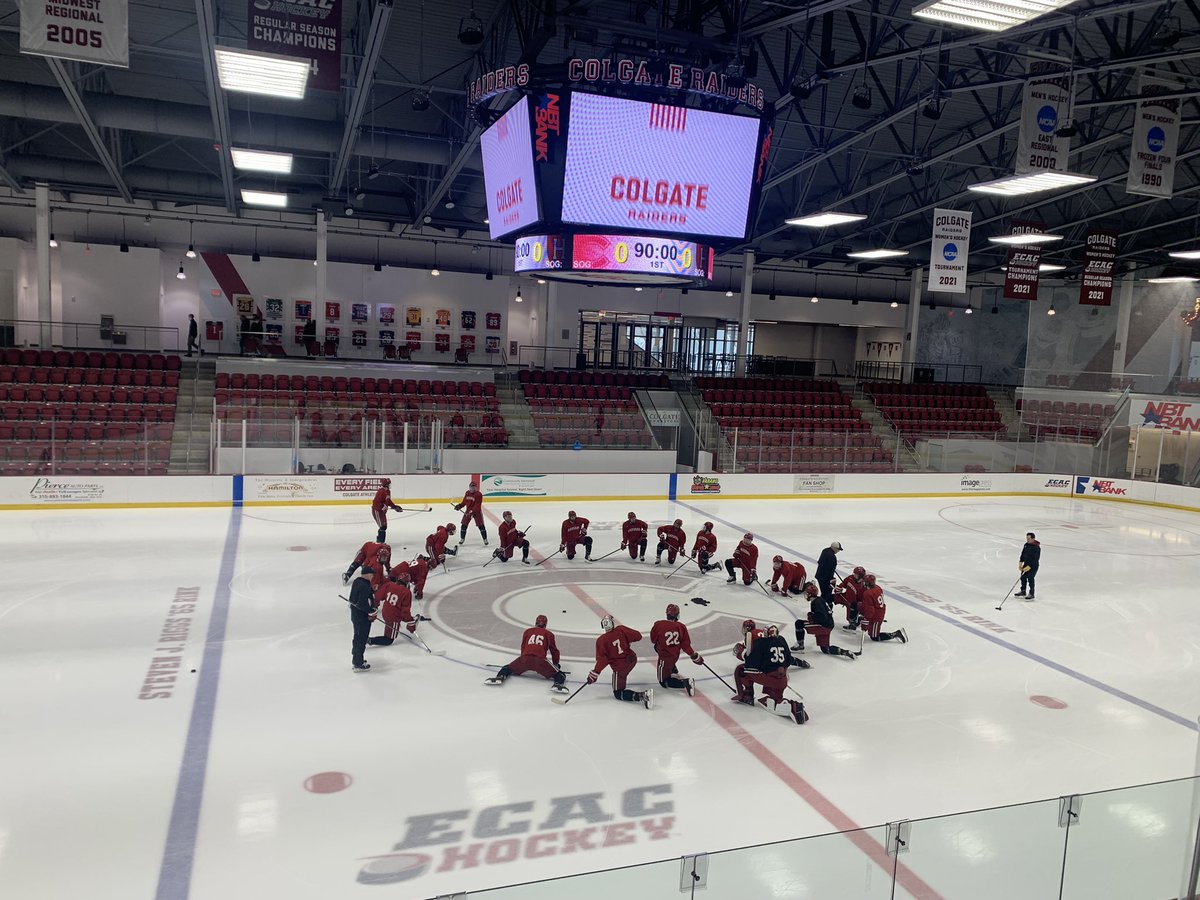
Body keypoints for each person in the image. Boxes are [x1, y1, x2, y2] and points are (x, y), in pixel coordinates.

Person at [733, 624, 809, 724]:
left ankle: (747, 696)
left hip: (771, 678)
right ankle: (782, 702)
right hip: (782, 679)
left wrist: (742, 654)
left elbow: (751, 665)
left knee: (741, 670)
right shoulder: (782, 640)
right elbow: (788, 660)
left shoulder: (761, 642)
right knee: (776, 699)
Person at [485, 614, 568, 693]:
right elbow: (554, 651)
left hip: (524, 659)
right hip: (540, 661)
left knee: (507, 668)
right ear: (546, 624)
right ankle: (558, 685)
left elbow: (523, 647)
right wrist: (556, 664)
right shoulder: (549, 634)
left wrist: (522, 661)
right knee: (560, 674)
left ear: (536, 623)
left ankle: (499, 677)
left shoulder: (527, 631)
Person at [586, 615, 652, 708]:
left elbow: (602, 660)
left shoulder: (601, 640)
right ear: (612, 623)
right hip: (632, 659)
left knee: (618, 693)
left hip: (620, 667)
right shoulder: (621, 630)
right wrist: (628, 640)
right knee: (622, 674)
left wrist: (595, 674)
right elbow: (638, 636)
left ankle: (643, 696)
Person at [793, 582, 858, 660]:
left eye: (807, 593)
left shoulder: (816, 602)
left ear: (810, 594)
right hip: (829, 625)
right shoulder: (820, 599)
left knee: (799, 623)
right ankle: (844, 652)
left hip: (823, 627)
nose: (806, 594)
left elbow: (822, 617)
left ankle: (800, 645)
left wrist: (812, 616)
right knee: (825, 649)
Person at [650, 603, 703, 695]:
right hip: (675, 655)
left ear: (667, 614)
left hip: (664, 658)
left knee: (663, 682)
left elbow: (653, 640)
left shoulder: (658, 624)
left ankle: (685, 683)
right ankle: (673, 668)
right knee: (667, 653)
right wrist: (694, 655)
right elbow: (686, 645)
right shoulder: (681, 627)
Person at [368, 574, 424, 646]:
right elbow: (405, 611)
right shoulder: (406, 592)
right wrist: (411, 624)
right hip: (393, 618)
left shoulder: (389, 585)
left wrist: (373, 609)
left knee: (400, 613)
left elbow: (378, 596)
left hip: (385, 612)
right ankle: (370, 640)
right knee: (389, 640)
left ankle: (411, 620)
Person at [855, 574, 908, 644]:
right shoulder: (878, 587)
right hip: (879, 610)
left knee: (874, 637)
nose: (863, 583)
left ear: (867, 583)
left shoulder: (867, 593)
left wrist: (866, 620)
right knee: (859, 605)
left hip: (876, 615)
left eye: (864, 582)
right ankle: (861, 618)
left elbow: (870, 610)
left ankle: (897, 633)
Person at [347, 567, 378, 672]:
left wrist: (371, 591)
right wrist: (371, 611)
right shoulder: (364, 585)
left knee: (357, 637)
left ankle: (356, 657)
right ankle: (358, 663)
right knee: (361, 639)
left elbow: (355, 599)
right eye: (372, 574)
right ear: (368, 574)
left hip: (356, 616)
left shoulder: (357, 581)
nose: (373, 576)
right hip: (362, 618)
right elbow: (362, 603)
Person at [454, 480, 488, 546]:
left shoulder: (479, 494)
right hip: (468, 511)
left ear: (476, 488)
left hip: (477, 512)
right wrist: (459, 506)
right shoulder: (467, 493)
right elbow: (464, 502)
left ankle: (485, 539)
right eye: (470, 487)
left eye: (473, 487)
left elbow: (477, 506)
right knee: (464, 525)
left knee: (481, 526)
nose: (472, 489)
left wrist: (471, 512)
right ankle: (462, 539)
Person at [371, 478, 402, 542]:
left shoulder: (388, 491)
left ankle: (380, 541)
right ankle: (380, 542)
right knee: (383, 527)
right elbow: (376, 502)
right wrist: (382, 506)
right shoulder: (381, 491)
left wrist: (394, 506)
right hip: (377, 511)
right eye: (388, 484)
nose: (389, 485)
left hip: (382, 512)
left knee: (384, 526)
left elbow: (388, 501)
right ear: (386, 484)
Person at [815, 540, 843, 606]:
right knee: (827, 594)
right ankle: (825, 607)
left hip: (819, 575)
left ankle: (821, 604)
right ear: (834, 548)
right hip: (825, 578)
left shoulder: (825, 550)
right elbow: (830, 571)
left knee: (824, 592)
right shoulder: (832, 557)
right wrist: (831, 580)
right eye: (838, 550)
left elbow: (820, 562)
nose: (838, 551)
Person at [1016, 532, 1041, 600]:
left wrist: (1030, 566)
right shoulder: (1026, 545)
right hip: (1026, 564)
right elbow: (1023, 554)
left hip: (1033, 566)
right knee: (1023, 577)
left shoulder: (1036, 547)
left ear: (1033, 539)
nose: (1027, 540)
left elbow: (1036, 558)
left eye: (1029, 538)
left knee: (1030, 578)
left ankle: (1031, 593)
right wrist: (1020, 562)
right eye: (1027, 538)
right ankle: (1023, 591)